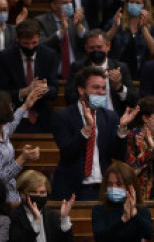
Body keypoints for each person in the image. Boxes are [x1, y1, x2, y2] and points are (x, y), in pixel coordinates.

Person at [52, 66, 134, 201]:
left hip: (103, 189)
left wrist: (122, 129)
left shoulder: (110, 117)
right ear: (81, 90)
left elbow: (118, 155)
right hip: (72, 189)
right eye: (96, 88)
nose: (101, 92)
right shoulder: (62, 116)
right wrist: (86, 130)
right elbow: (67, 153)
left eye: (103, 88)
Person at [3, 169, 75, 242]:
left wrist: (64, 218)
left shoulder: (53, 216)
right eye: (33, 192)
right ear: (22, 194)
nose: (38, 196)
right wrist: (35, 223)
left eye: (42, 193)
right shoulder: (13, 216)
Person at [0, 89, 44, 203]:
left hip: (11, 192)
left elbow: (12, 123)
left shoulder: (1, 128)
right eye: (9, 105)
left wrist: (26, 105)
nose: (11, 107)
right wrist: (22, 158)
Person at [0, 18, 59, 134]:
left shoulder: (49, 55)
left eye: (34, 43)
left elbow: (55, 90)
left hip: (42, 119)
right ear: (17, 39)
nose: (30, 47)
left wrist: (44, 89)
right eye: (26, 43)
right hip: (14, 118)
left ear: (39, 38)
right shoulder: (5, 58)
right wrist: (25, 91)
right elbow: (1, 93)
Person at [92, 163, 154, 242]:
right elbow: (100, 238)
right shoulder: (99, 210)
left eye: (119, 184)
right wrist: (123, 220)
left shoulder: (141, 210)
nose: (114, 188)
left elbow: (148, 234)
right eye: (110, 184)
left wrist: (134, 214)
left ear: (130, 187)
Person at [66, 29, 135, 110]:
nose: (95, 51)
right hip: (87, 115)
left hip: (114, 117)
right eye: (92, 48)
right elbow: (69, 98)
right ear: (86, 48)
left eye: (99, 47)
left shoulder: (120, 68)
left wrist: (119, 87)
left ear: (108, 46)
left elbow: (134, 101)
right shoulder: (78, 67)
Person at [105, 0, 154, 80]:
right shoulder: (116, 21)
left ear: (145, 6)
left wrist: (143, 28)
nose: (134, 5)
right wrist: (114, 27)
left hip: (139, 73)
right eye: (131, 2)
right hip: (115, 71)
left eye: (138, 3)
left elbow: (153, 49)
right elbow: (104, 42)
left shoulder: (152, 27)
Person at [35, 0, 86, 82]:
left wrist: (79, 28)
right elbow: (40, 46)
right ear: (53, 6)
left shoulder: (78, 20)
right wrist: (62, 32)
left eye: (71, 2)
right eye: (65, 3)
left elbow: (88, 43)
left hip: (78, 74)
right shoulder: (40, 21)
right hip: (52, 76)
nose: (69, 5)